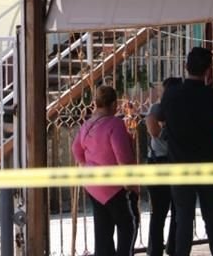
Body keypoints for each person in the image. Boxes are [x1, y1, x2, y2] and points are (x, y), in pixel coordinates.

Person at [159, 47, 213, 256]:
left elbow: (162, 118)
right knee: (212, 217)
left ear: (186, 67)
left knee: (184, 219)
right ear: (208, 71)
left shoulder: (171, 94)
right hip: (208, 164)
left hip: (180, 165)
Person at [72, 84, 140, 256]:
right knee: (128, 225)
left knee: (103, 229)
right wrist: (132, 185)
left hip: (93, 185)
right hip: (114, 186)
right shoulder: (114, 124)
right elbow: (123, 157)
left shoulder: (87, 124)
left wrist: (85, 166)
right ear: (114, 104)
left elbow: (76, 149)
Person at [145, 77, 181, 256]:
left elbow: (155, 131)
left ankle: (167, 248)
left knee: (172, 211)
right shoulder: (157, 109)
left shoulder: (178, 111)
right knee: (162, 211)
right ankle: (157, 249)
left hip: (169, 162)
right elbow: (154, 131)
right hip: (161, 162)